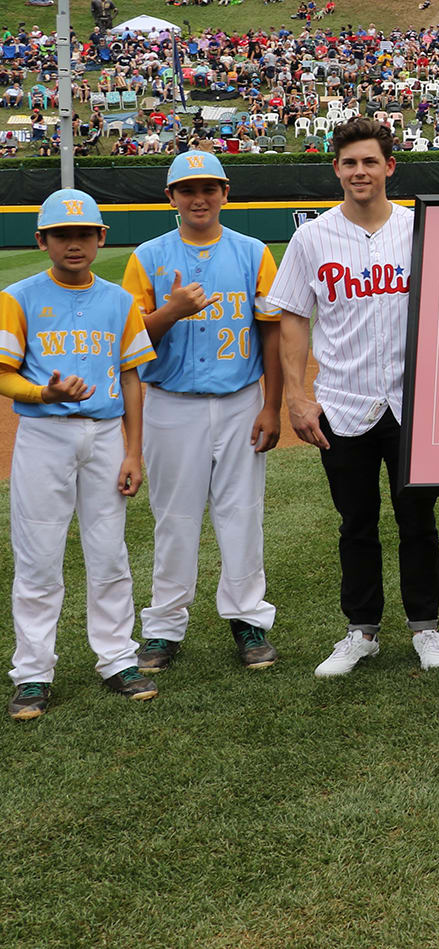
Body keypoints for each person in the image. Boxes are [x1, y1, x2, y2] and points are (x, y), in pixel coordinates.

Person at [268, 116, 439, 678]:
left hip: (412, 401)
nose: (359, 171)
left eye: (370, 161)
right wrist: (297, 397)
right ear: (336, 169)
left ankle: (425, 626)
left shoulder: (422, 230)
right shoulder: (312, 236)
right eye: (349, 162)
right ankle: (360, 630)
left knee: (418, 518)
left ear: (390, 166)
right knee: (356, 521)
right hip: (342, 401)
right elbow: (293, 318)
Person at [123, 151, 283, 674]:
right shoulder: (147, 256)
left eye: (209, 188)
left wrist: (272, 405)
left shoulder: (253, 252)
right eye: (188, 189)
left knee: (242, 514)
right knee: (175, 518)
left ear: (225, 192)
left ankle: (247, 618)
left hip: (241, 402)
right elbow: (126, 343)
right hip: (171, 404)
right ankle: (164, 627)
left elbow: (271, 332)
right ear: (170, 196)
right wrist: (170, 311)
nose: (199, 198)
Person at [3, 190, 158, 720]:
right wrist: (42, 393)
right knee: (38, 557)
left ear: (101, 240)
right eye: (63, 235)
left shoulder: (118, 301)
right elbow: (3, 373)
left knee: (109, 552)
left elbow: (132, 376)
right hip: (44, 436)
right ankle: (32, 672)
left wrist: (134, 451)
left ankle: (117, 658)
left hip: (105, 436)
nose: (75, 244)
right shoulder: (18, 295)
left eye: (85, 234)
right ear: (42, 240)